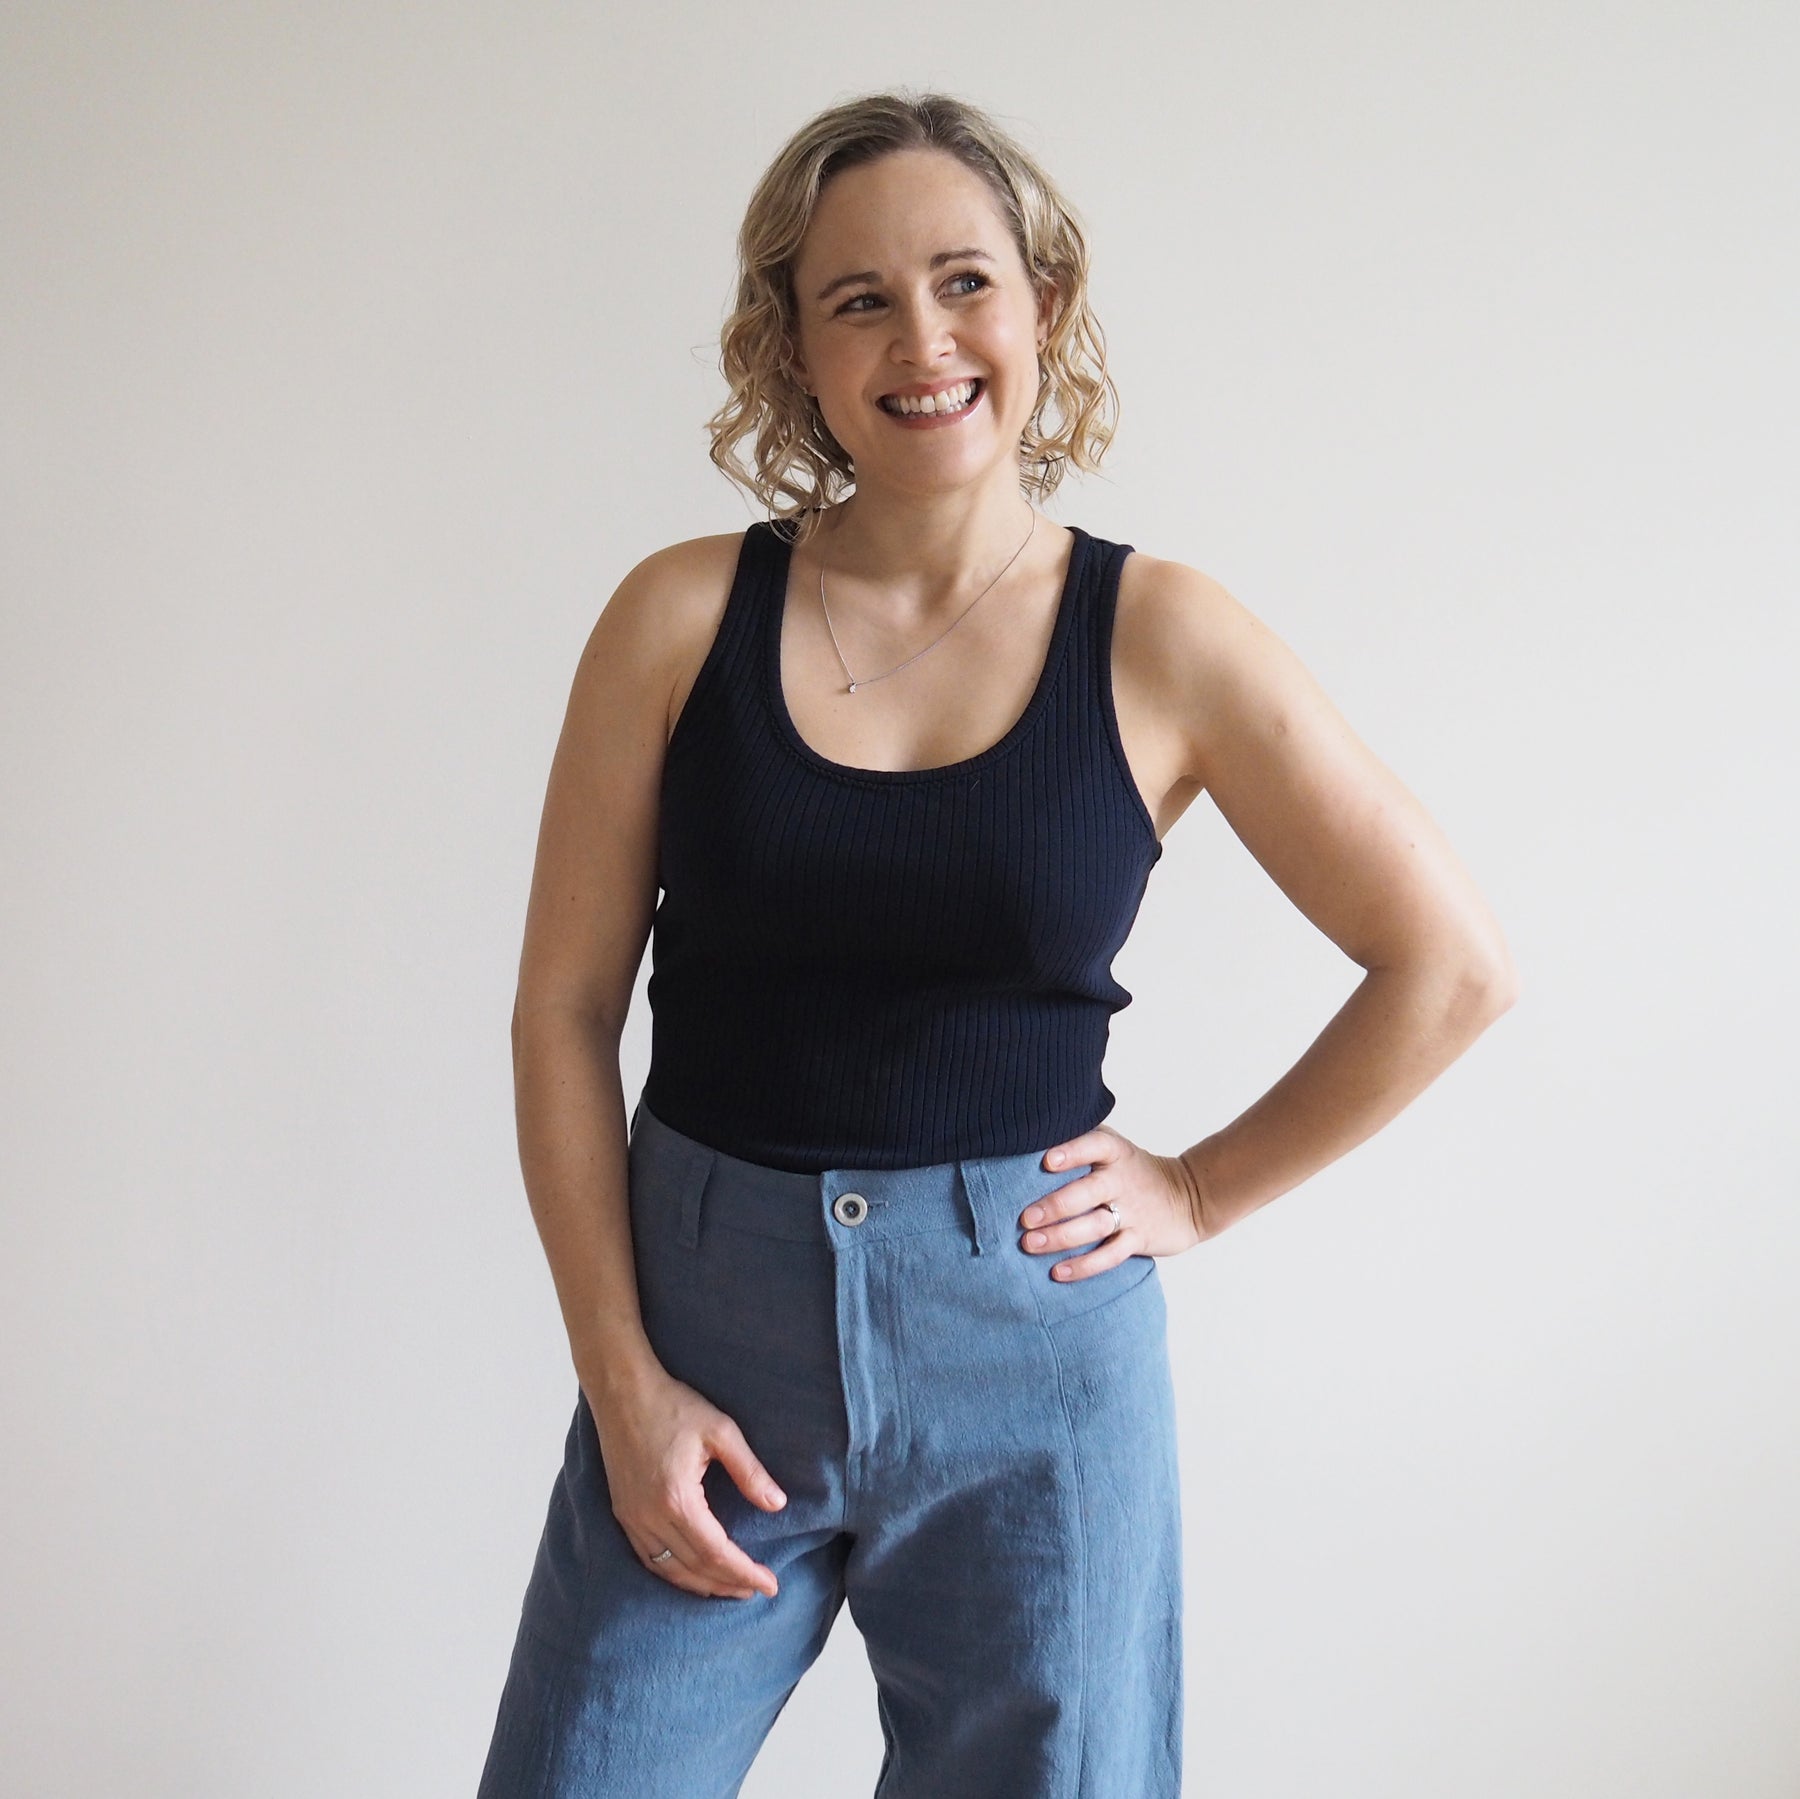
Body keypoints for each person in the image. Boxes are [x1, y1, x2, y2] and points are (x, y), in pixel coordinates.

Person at [477, 89, 1517, 1799]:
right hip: (702, 1346)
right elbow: (563, 1012)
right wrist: (622, 1378)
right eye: (860, 299)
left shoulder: (1163, 637)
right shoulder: (678, 618)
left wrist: (1201, 1191)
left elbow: (1450, 964)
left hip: (1031, 1366)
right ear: (793, 350)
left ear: (1043, 304)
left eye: (966, 281)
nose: (925, 341)